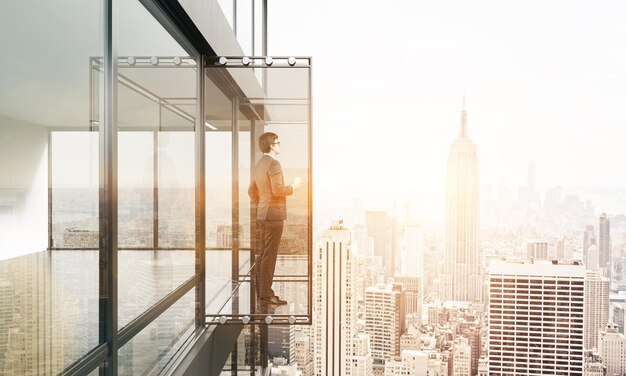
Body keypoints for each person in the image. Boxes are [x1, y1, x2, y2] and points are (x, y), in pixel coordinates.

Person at [248, 132, 301, 306]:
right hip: (273, 216)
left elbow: (251, 191)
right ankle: (266, 295)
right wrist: (294, 187)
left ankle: (261, 292)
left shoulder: (258, 165)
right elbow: (278, 190)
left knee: (262, 254)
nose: (279, 145)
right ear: (271, 145)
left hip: (262, 214)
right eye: (278, 142)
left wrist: (263, 203)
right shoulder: (274, 164)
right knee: (269, 255)